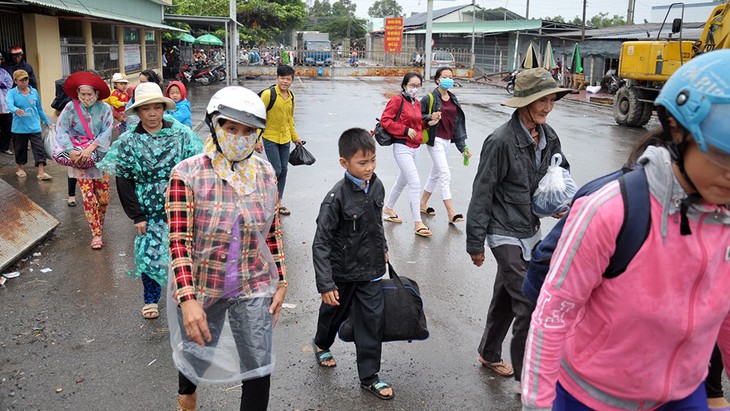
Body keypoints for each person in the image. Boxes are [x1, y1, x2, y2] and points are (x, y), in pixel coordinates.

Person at [521, 49, 730, 410]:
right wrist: (537, 402)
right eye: (723, 154)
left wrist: (712, 392)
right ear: (678, 131)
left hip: (683, 396)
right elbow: (553, 313)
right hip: (592, 397)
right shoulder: (611, 210)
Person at [166, 86, 287, 411]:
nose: (239, 137)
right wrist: (188, 299)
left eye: (248, 131)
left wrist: (282, 279)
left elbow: (271, 230)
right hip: (204, 284)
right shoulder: (187, 175)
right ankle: (187, 392)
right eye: (230, 128)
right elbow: (179, 241)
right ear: (214, 126)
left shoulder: (264, 173)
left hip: (253, 285)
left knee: (258, 365)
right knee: (196, 354)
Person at [466, 67, 571, 393]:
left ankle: (488, 352)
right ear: (524, 102)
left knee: (505, 297)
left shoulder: (549, 135)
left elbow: (559, 173)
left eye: (552, 99)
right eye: (542, 100)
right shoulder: (500, 141)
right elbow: (482, 190)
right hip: (502, 230)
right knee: (528, 300)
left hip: (530, 226)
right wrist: (475, 242)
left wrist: (560, 202)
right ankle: (530, 378)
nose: (547, 106)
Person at [97, 82, 202, 320]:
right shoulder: (128, 141)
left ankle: (183, 295)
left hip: (179, 203)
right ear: (138, 112)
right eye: (146, 109)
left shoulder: (182, 134)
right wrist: (137, 215)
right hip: (148, 207)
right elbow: (124, 180)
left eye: (157, 107)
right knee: (150, 254)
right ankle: (151, 299)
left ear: (164, 109)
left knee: (183, 250)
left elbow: (196, 168)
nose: (152, 113)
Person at [311, 127, 393, 400]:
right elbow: (321, 242)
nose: (369, 167)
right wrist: (326, 282)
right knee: (333, 314)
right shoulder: (335, 199)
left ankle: (370, 376)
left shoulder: (377, 185)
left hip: (370, 270)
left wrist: (383, 249)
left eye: (373, 160)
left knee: (372, 320)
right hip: (343, 272)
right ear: (344, 163)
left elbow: (377, 224)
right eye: (362, 162)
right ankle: (322, 343)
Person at [54, 71, 114, 248]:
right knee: (88, 197)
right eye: (82, 94)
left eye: (89, 94)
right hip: (79, 158)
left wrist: (91, 148)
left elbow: (107, 132)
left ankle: (99, 226)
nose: (86, 97)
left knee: (103, 198)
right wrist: (71, 150)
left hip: (100, 156)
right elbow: (61, 129)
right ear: (77, 94)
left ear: (96, 94)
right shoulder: (70, 108)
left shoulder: (105, 109)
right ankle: (96, 234)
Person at [380, 71, 435, 237]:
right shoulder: (396, 101)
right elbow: (385, 120)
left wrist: (430, 122)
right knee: (415, 182)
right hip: (401, 146)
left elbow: (418, 125)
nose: (415, 89)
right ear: (404, 86)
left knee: (402, 181)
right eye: (412, 85)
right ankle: (418, 222)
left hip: (415, 147)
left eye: (418, 86)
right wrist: (404, 129)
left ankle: (388, 208)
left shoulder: (416, 104)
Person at [419, 67, 472, 224]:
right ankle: (451, 213)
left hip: (447, 141)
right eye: (445, 76)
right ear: (438, 80)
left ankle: (422, 204)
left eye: (451, 76)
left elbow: (456, 125)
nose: (449, 79)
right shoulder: (429, 98)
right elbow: (418, 116)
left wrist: (463, 148)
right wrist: (430, 116)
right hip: (435, 140)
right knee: (445, 174)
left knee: (435, 174)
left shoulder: (453, 98)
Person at [255, 64, 302, 216]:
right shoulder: (269, 94)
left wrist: (295, 139)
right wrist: (257, 139)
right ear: (277, 78)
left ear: (292, 81)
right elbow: (259, 117)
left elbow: (290, 120)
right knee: (277, 169)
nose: (285, 82)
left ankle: (278, 201)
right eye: (282, 78)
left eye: (288, 79)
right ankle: (267, 198)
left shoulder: (291, 97)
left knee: (284, 170)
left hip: (285, 139)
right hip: (270, 137)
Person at [6, 69, 52, 180]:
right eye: (21, 80)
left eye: (26, 79)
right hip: (19, 128)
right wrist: (16, 110)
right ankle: (20, 168)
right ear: (16, 81)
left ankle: (41, 172)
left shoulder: (34, 92)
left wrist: (48, 122)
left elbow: (40, 109)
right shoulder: (12, 93)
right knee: (20, 149)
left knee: (39, 148)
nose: (25, 81)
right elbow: (9, 105)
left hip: (34, 127)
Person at [0, 53, 13, 156]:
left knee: (7, 127)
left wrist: (1, 84)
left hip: (4, 106)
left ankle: (5, 146)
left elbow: (9, 84)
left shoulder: (4, 73)